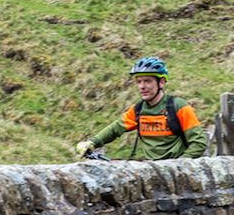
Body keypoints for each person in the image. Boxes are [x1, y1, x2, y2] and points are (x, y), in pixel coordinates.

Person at [73, 57, 206, 161]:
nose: (142, 86)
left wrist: (180, 163)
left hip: (177, 171)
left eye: (147, 81)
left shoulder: (178, 106)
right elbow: (115, 128)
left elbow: (198, 143)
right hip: (151, 168)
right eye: (139, 81)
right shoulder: (138, 109)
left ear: (161, 82)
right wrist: (92, 143)